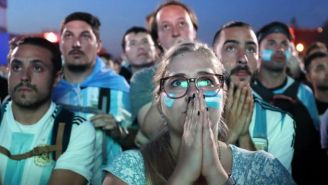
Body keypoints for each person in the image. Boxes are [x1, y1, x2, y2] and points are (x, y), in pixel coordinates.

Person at [102, 41, 295, 185]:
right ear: (159, 103)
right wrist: (184, 173)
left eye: (206, 81)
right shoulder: (128, 169)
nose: (194, 93)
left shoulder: (264, 168)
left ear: (224, 97)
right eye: (177, 83)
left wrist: (214, 172)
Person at [0, 37, 95, 185]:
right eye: (17, 67)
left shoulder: (75, 130)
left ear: (56, 78)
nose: (24, 77)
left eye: (37, 68)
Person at [52, 12, 130, 185]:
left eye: (85, 36)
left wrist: (120, 131)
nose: (76, 44)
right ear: (61, 43)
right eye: (68, 36)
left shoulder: (118, 86)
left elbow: (141, 138)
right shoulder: (49, 87)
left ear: (98, 45)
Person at [212, 21, 295, 171]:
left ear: (258, 60)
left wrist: (244, 138)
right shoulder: (193, 115)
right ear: (214, 58)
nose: (242, 58)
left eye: (250, 49)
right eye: (231, 48)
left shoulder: (281, 122)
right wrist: (229, 138)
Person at [252, 21, 327, 184]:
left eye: (284, 44)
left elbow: (315, 146)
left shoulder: (304, 93)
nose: (279, 49)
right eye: (271, 43)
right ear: (258, 50)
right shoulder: (246, 93)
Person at [131, 1, 198, 145]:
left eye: (182, 24)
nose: (175, 32)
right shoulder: (142, 78)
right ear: (157, 39)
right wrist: (175, 67)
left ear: (194, 31)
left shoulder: (218, 73)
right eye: (165, 26)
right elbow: (152, 130)